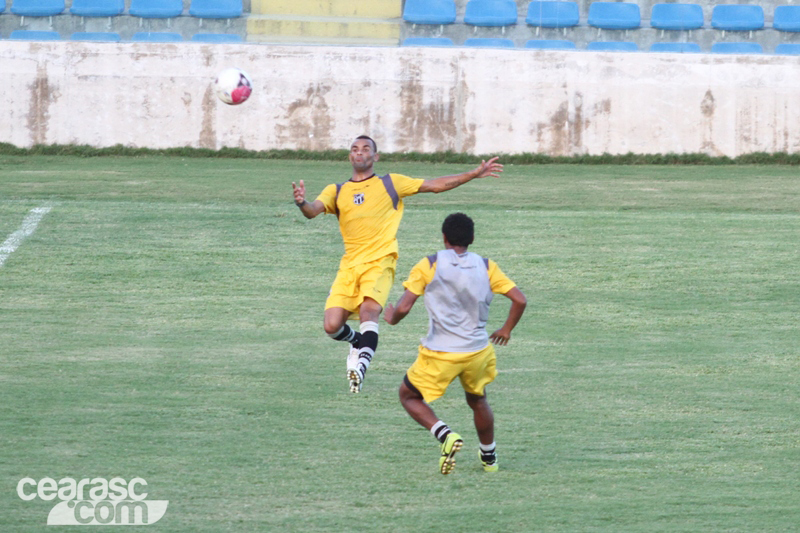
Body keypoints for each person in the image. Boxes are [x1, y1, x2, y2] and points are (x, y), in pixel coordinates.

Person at [292, 136, 503, 394]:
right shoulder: (336, 190)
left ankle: (361, 367)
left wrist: (472, 173)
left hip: (380, 261)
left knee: (370, 311)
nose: (360, 153)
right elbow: (313, 210)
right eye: (355, 149)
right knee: (331, 325)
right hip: (349, 266)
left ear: (375, 157)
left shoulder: (390, 183)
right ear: (350, 156)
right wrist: (302, 202)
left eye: (366, 149)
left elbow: (434, 186)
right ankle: (357, 342)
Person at [383, 213, 527, 474]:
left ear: (444, 237)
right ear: (471, 239)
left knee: (408, 395)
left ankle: (444, 434)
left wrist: (391, 318)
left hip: (441, 353)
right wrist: (506, 329)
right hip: (478, 351)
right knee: (478, 400)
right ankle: (490, 458)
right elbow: (520, 299)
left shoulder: (430, 263)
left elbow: (404, 306)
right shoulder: (486, 266)